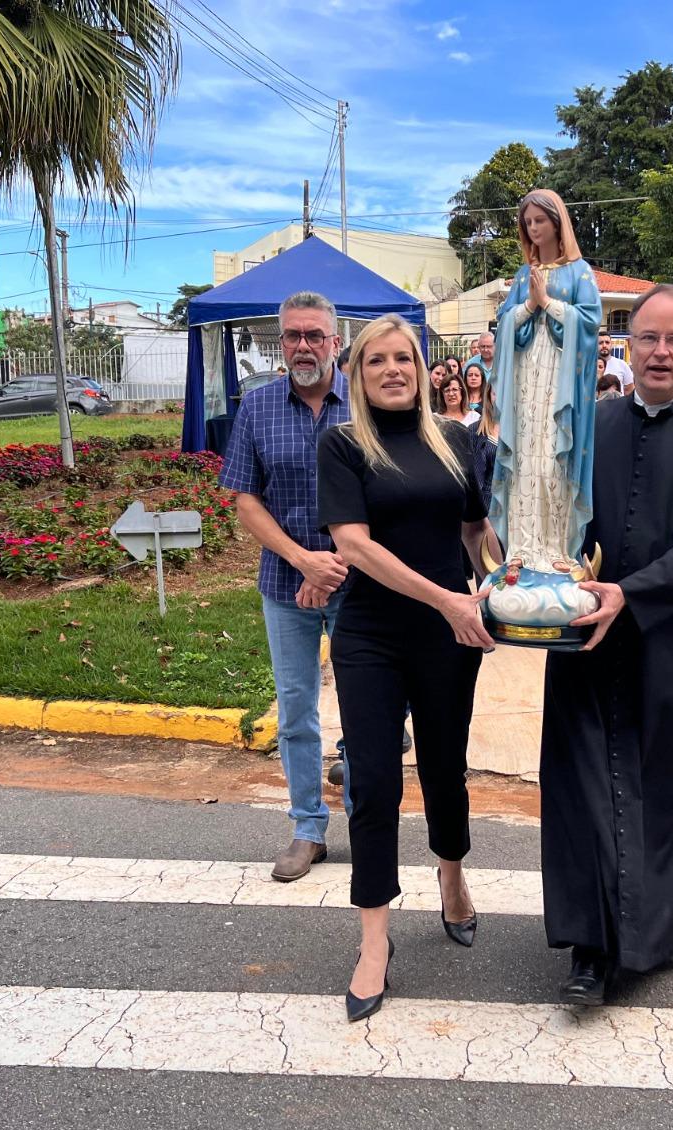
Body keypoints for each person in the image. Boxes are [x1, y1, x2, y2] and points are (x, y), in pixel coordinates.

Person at [540, 283, 673, 1006]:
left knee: (660, 792)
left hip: (670, 640)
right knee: (583, 788)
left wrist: (630, 594)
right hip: (586, 637)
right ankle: (591, 951)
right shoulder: (591, 425)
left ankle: (653, 938)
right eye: (648, 338)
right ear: (629, 346)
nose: (660, 352)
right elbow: (559, 518)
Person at [317, 313, 498, 1022]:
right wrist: (447, 600)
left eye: (404, 358)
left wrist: (509, 584)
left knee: (447, 766)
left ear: (423, 370)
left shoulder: (456, 440)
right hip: (371, 634)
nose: (393, 369)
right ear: (357, 374)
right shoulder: (342, 445)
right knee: (373, 781)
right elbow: (354, 546)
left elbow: (475, 530)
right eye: (375, 361)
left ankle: (452, 876)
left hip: (450, 635)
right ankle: (373, 939)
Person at [220, 291, 352, 883]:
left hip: (360, 584)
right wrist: (305, 563)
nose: (303, 346)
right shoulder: (257, 406)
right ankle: (307, 828)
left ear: (336, 342)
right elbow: (245, 501)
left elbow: (388, 496)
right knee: (297, 710)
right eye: (293, 335)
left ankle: (368, 817)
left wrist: (334, 567)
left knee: (369, 705)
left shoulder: (368, 403)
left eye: (314, 335)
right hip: (284, 583)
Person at [488, 189, 602, 580]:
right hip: (525, 382)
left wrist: (550, 304)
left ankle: (557, 547)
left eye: (539, 220)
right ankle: (519, 547)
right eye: (528, 223)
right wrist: (530, 305)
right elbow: (505, 325)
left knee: (556, 459)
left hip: (561, 382)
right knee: (523, 459)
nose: (533, 228)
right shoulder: (524, 275)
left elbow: (589, 323)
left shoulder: (580, 271)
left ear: (557, 222)